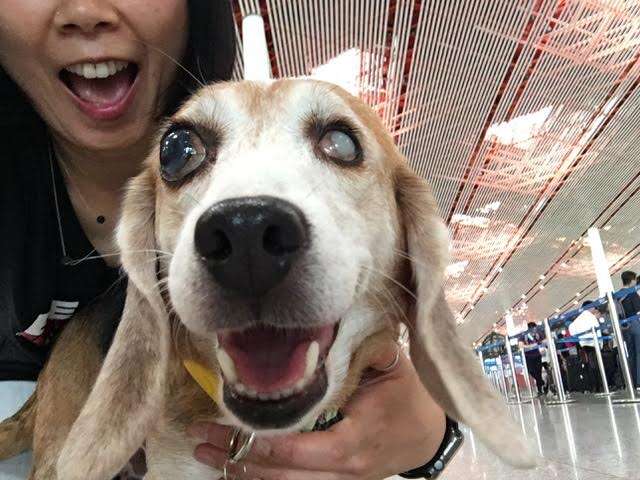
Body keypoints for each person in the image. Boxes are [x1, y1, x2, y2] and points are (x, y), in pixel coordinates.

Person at [0, 1, 448, 479]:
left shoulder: (251, 102)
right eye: (185, 154)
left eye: (337, 147)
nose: (85, 12)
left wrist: (432, 433)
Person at [568, 301, 603, 392]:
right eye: (594, 308)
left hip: (583, 347)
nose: (595, 310)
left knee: (587, 367)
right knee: (595, 366)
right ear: (590, 307)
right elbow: (598, 331)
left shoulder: (577, 319)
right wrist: (601, 344)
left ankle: (591, 387)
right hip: (593, 345)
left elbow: (571, 331)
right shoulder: (592, 317)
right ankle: (598, 387)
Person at [621, 271, 640, 387]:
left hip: (624, 328)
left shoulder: (618, 294)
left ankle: (632, 382)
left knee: (631, 354)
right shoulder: (632, 293)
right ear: (632, 280)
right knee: (639, 352)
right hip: (635, 325)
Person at [521, 322, 546, 396]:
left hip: (537, 355)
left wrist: (540, 342)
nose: (534, 330)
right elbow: (521, 345)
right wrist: (532, 345)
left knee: (538, 372)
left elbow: (544, 340)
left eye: (535, 328)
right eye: (533, 329)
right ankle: (541, 382)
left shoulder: (538, 334)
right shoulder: (524, 336)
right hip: (528, 356)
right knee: (531, 371)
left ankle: (540, 390)